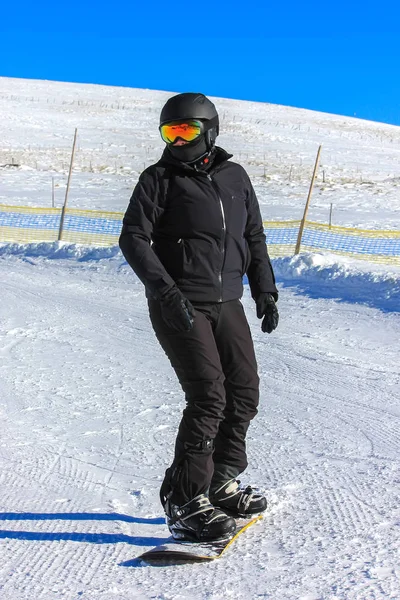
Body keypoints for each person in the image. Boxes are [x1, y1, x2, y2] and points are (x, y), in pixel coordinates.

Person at [119, 92, 279, 543]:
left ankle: (221, 480)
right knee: (209, 396)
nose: (177, 140)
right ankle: (185, 501)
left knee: (244, 390)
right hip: (180, 303)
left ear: (210, 131)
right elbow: (133, 238)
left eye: (186, 130)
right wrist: (166, 292)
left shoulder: (235, 176)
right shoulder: (159, 179)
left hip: (227, 302)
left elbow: (254, 235)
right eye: (170, 132)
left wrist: (264, 290)